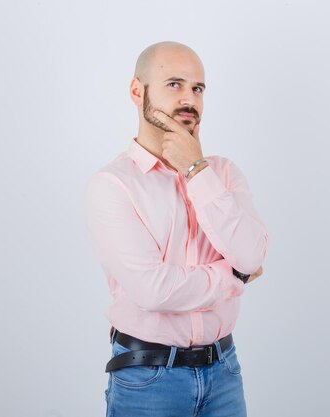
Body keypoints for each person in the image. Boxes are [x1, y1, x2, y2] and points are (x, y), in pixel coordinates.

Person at [84, 40, 269, 417]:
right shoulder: (113, 184)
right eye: (174, 84)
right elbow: (154, 291)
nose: (189, 98)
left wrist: (196, 170)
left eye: (197, 88)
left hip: (225, 371)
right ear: (138, 91)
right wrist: (234, 275)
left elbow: (252, 254)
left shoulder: (223, 174)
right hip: (148, 378)